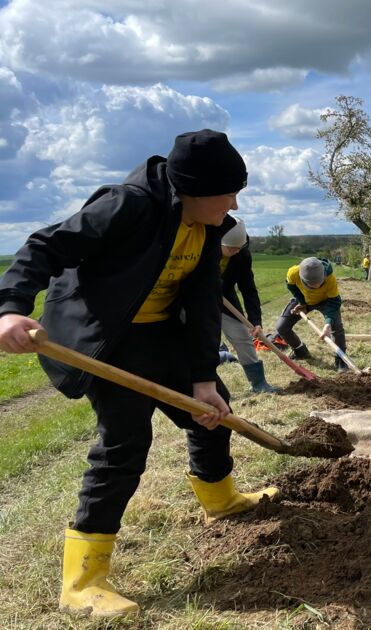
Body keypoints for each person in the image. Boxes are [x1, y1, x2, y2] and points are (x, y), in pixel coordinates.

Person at [0, 129, 278, 618]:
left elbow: (201, 303)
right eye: (227, 192)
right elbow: (44, 246)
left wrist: (203, 378)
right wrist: (10, 309)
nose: (234, 203)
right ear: (192, 188)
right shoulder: (128, 205)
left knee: (212, 412)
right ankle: (83, 581)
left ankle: (221, 500)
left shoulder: (210, 225)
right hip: (107, 339)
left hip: (161, 334)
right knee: (124, 445)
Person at [219, 217, 278, 393]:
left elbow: (248, 288)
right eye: (231, 248)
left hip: (225, 297)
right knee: (202, 341)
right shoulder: (202, 248)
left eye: (239, 248)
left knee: (242, 335)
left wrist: (255, 321)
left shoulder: (242, 254)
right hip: (196, 298)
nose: (236, 251)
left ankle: (259, 383)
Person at [274, 256, 348, 372]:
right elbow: (291, 286)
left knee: (336, 328)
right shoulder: (293, 273)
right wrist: (302, 302)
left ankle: (341, 360)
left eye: (320, 283)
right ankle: (300, 351)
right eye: (312, 285)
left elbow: (334, 302)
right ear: (302, 279)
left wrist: (328, 323)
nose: (317, 287)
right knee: (281, 327)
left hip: (327, 301)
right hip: (304, 300)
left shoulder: (330, 279)